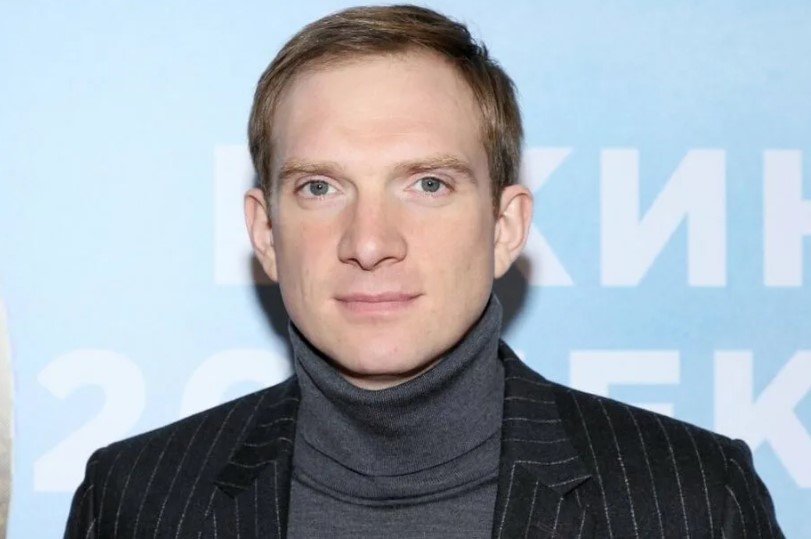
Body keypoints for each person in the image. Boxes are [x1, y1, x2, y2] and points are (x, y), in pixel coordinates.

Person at [64, 5, 783, 538]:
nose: (370, 242)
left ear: (505, 228)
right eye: (320, 186)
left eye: (428, 184)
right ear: (266, 233)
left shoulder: (691, 499)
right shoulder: (135, 500)